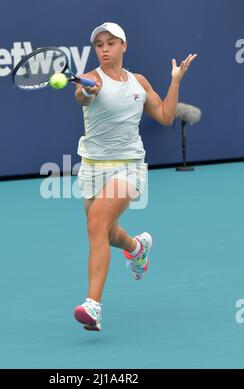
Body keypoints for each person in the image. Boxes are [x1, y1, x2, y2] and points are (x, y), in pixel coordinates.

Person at [73, 22, 197, 331]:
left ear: (123, 46)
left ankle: (93, 306)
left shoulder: (138, 82)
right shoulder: (90, 79)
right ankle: (137, 248)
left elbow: (166, 116)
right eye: (99, 43)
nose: (104, 48)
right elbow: (82, 96)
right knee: (107, 233)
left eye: (111, 42)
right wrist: (86, 92)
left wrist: (175, 80)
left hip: (128, 166)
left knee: (96, 225)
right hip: (91, 167)